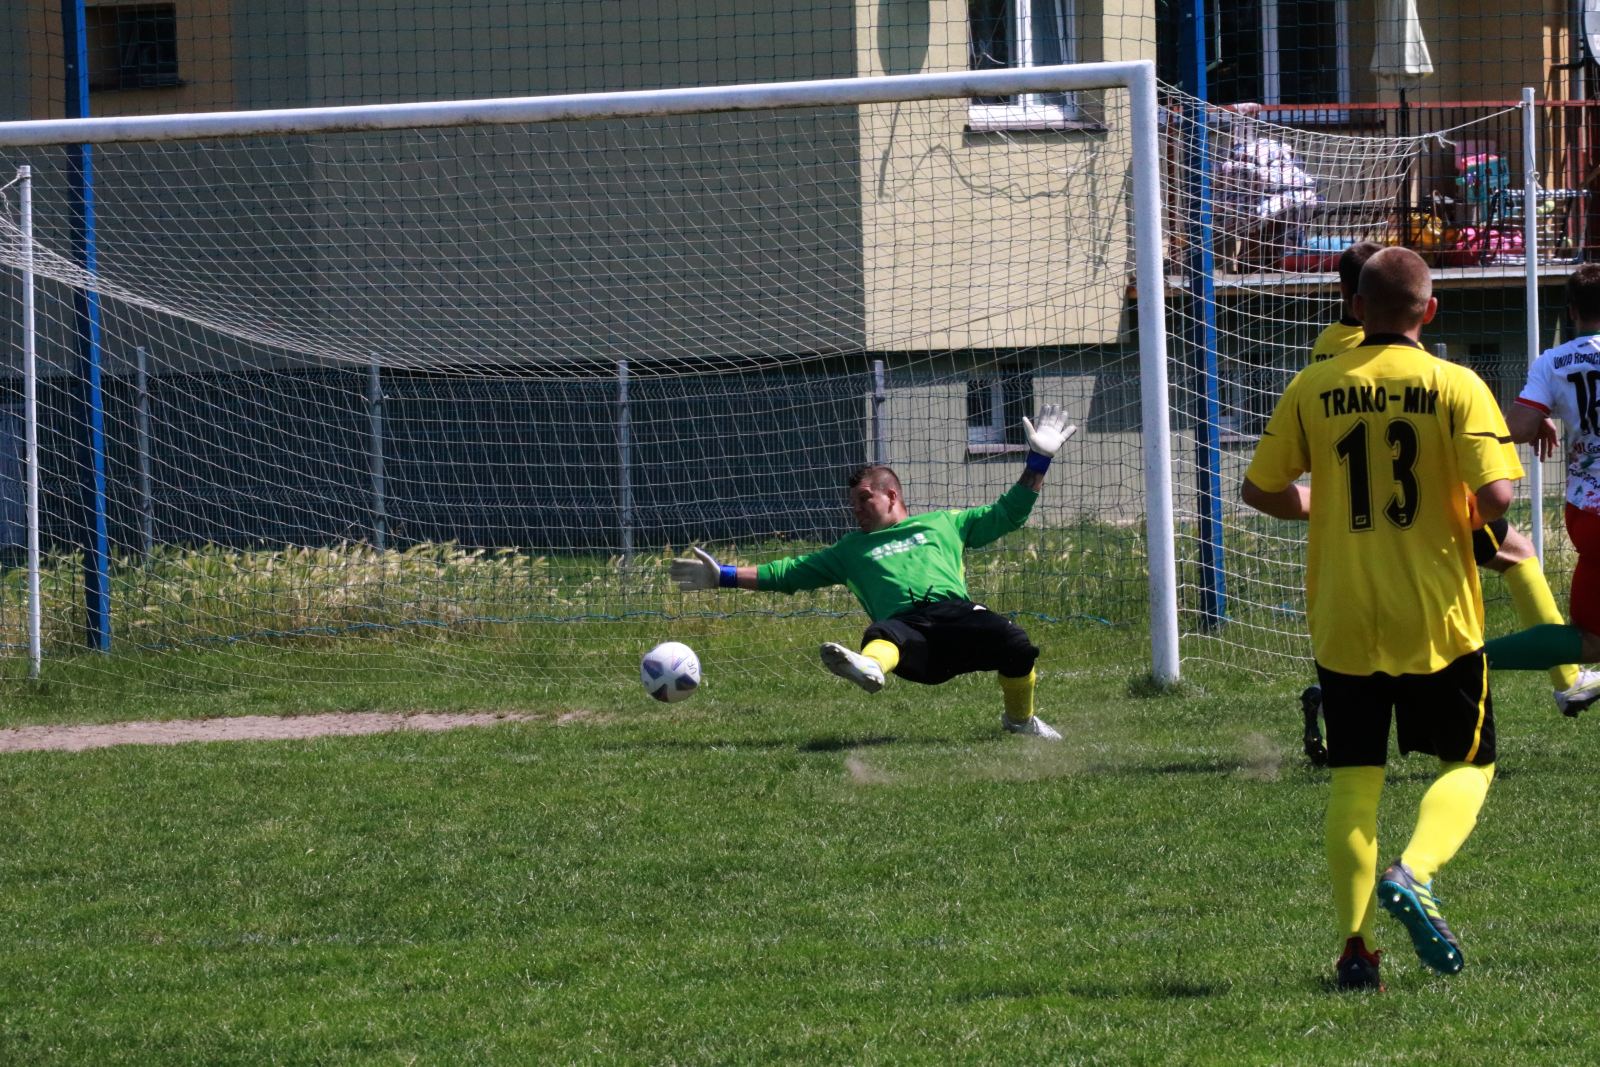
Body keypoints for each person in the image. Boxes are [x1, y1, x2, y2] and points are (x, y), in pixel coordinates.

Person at [1241, 246, 1522, 990]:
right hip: (1436, 610)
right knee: (1470, 761)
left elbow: (1262, 489)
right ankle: (1416, 870)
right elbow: (1495, 498)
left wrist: (1318, 502)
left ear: (1356, 309)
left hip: (1344, 613)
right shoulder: (1457, 384)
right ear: (1430, 311)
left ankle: (1357, 948)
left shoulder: (1314, 383)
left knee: (1356, 781)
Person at [1297, 244, 1592, 767]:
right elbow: (1430, 406)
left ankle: (1566, 679)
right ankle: (1562, 680)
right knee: (1517, 564)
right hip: (1421, 505)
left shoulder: (1328, 348)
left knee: (1518, 559)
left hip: (1360, 513)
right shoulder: (1389, 351)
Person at [670, 404, 1076, 741]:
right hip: (913, 641)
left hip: (957, 617)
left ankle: (1020, 722)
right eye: (853, 504)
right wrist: (722, 574)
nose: (857, 509)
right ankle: (870, 667)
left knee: (1016, 643)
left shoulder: (944, 523)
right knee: (885, 633)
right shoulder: (850, 550)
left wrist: (1039, 459)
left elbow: (1007, 513)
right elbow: (788, 573)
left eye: (865, 498)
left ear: (892, 494)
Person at [1483, 263, 1600, 702]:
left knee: (1590, 638)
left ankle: (1466, 661)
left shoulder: (1554, 362)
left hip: (1586, 513)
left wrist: (1541, 420)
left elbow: (1515, 426)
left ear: (1572, 310)